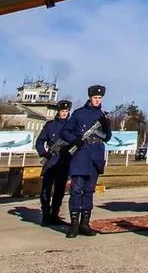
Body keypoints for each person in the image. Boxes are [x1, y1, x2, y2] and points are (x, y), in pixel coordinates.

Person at [60, 84, 112, 237]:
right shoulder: (78, 114)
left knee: (89, 191)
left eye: (100, 98)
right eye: (95, 98)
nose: (97, 100)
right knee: (76, 190)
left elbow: (107, 137)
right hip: (80, 156)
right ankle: (74, 225)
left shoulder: (102, 115)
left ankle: (85, 224)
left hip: (95, 156)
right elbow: (65, 132)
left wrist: (106, 125)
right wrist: (75, 140)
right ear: (90, 97)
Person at [35, 99, 72, 226]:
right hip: (51, 162)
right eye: (62, 111)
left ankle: (55, 214)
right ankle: (46, 214)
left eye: (66, 111)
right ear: (58, 111)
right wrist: (44, 153)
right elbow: (40, 141)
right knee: (46, 189)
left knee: (60, 191)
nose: (64, 113)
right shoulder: (50, 125)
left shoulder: (71, 126)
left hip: (64, 162)